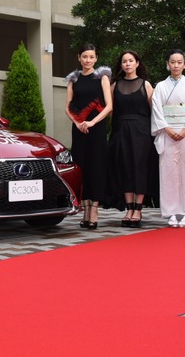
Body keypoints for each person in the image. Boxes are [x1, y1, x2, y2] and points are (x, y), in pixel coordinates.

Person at [151, 49, 185, 227]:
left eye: (179, 62)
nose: (176, 65)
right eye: (172, 62)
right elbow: (157, 110)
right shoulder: (160, 87)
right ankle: (171, 212)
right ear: (168, 64)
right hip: (167, 132)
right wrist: (166, 128)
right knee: (169, 173)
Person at [64, 43, 112, 230]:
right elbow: (68, 106)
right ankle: (84, 211)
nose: (88, 60)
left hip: (96, 129)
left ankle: (94, 211)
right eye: (85, 57)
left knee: (96, 168)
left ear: (96, 58)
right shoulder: (73, 80)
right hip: (79, 130)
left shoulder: (102, 78)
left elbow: (109, 106)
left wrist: (92, 122)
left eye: (91, 57)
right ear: (79, 58)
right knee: (82, 168)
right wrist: (77, 122)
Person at [109, 50, 154, 228]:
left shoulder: (146, 85)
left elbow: (155, 111)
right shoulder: (115, 85)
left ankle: (138, 209)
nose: (127, 64)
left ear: (137, 63)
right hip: (120, 132)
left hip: (142, 132)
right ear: (121, 65)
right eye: (124, 61)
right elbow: (110, 112)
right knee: (125, 168)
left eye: (130, 60)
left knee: (139, 168)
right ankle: (129, 208)